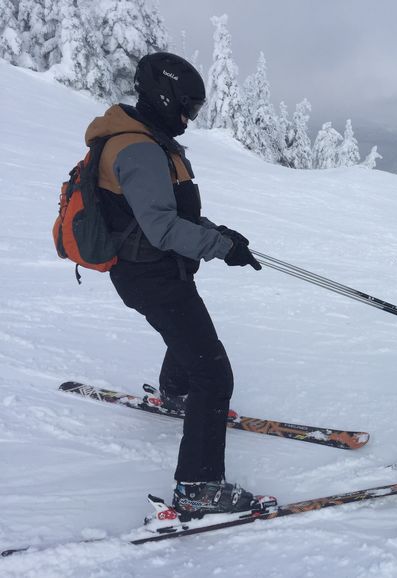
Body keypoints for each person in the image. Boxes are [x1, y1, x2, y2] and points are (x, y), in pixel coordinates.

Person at [83, 52, 267, 520]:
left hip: (158, 273)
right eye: (188, 107)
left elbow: (171, 215)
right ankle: (198, 486)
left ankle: (174, 392)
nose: (189, 118)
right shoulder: (140, 149)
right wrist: (220, 248)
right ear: (165, 98)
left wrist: (223, 236)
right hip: (152, 275)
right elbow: (163, 228)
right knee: (214, 374)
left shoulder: (149, 140)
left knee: (186, 332)